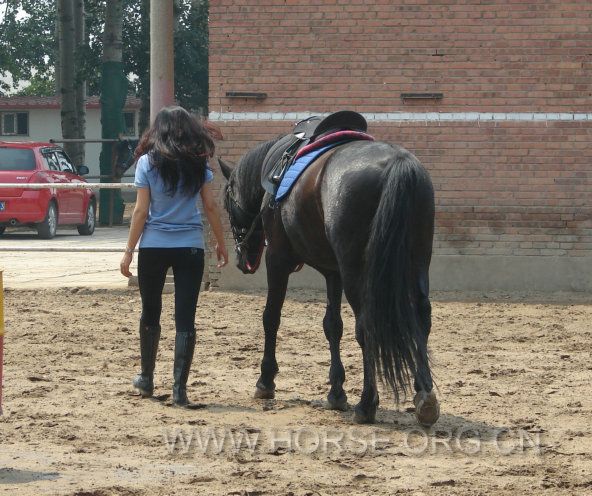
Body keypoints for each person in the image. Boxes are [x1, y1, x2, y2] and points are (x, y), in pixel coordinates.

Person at [120, 106, 228, 408]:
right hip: (190, 247)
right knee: (185, 319)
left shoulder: (146, 162)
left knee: (150, 311)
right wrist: (220, 243)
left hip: (154, 247)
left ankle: (146, 378)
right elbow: (209, 206)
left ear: (159, 129)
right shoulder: (198, 162)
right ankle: (180, 390)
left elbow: (141, 211)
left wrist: (128, 251)